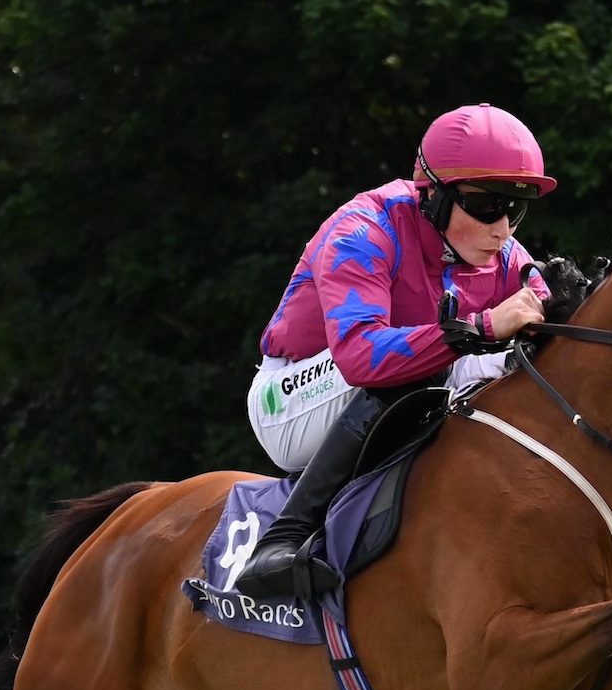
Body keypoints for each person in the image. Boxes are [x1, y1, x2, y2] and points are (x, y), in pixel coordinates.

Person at [232, 102, 557, 600]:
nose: (504, 228)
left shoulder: (502, 250)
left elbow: (544, 303)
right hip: (291, 399)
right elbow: (361, 356)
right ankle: (281, 541)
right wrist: (483, 326)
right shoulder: (364, 229)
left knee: (522, 357)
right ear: (435, 195)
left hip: (388, 379)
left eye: (517, 208)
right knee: (424, 363)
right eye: (489, 206)